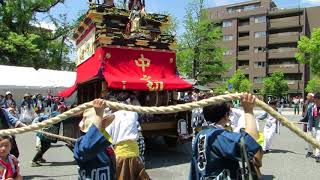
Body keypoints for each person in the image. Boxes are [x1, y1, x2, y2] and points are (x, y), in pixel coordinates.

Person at [189, 93, 263, 180]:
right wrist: (248, 111)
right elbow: (251, 144)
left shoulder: (200, 134)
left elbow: (194, 168)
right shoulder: (222, 137)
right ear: (226, 115)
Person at [106, 92, 150, 180]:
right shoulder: (133, 113)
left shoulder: (110, 118)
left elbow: (107, 139)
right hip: (136, 152)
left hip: (121, 155)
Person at [74, 99, 116, 180]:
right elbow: (88, 147)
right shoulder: (80, 144)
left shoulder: (105, 145)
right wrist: (98, 115)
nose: (104, 126)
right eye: (101, 123)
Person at [305, 93, 320, 162]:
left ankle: (318, 155)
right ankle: (310, 151)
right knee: (310, 140)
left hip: (319, 127)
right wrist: (302, 121)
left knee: (318, 141)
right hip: (311, 126)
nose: (316, 101)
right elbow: (307, 116)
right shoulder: (311, 106)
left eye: (317, 100)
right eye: (315, 100)